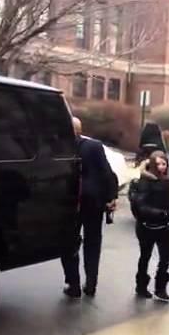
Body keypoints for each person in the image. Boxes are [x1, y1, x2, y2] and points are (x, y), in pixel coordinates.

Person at [61, 117, 118, 298]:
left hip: (71, 202)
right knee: (93, 243)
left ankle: (73, 284)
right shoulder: (94, 146)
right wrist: (111, 197)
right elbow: (107, 172)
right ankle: (91, 283)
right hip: (94, 201)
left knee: (69, 244)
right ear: (80, 129)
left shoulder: (61, 147)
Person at [130, 151, 169, 301]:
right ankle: (141, 286)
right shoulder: (145, 182)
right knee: (145, 256)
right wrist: (159, 213)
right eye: (158, 164)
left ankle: (160, 288)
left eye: (164, 164)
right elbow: (141, 205)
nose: (161, 167)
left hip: (163, 226)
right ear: (151, 165)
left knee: (165, 258)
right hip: (146, 226)